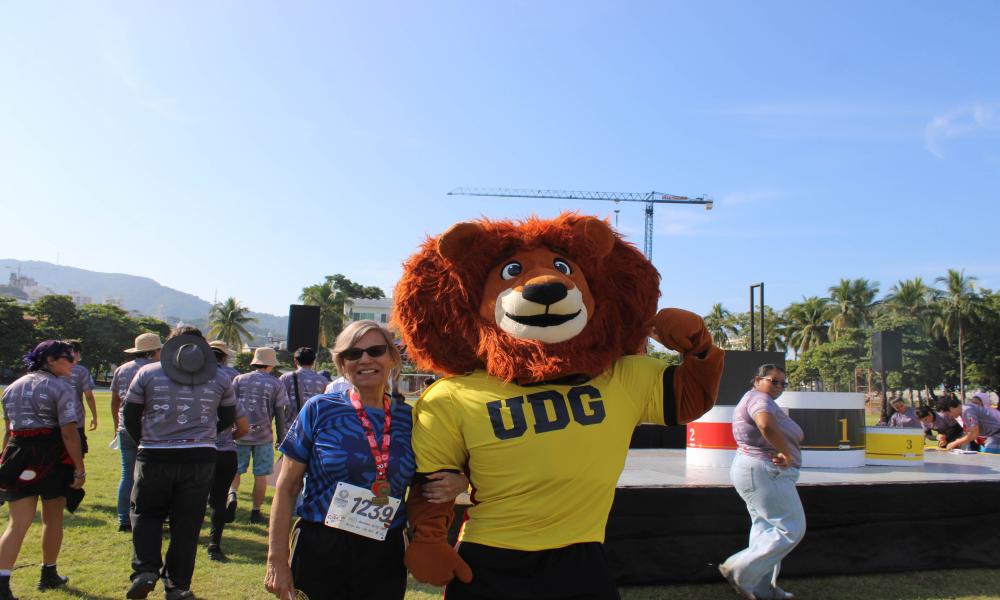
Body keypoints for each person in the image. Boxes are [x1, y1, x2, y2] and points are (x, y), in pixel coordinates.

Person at [263, 320, 468, 600]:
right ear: (341, 363)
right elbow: (286, 489)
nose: (365, 359)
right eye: (353, 353)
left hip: (385, 549)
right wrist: (277, 559)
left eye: (375, 351)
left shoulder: (411, 419)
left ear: (392, 358)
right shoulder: (320, 410)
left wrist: (460, 481)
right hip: (321, 546)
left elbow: (435, 477)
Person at [123, 326, 236, 600]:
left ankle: (146, 570)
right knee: (187, 523)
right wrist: (203, 433)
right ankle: (178, 586)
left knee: (146, 514)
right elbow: (227, 417)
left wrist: (147, 440)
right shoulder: (220, 379)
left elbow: (130, 415)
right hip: (200, 457)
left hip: (155, 454)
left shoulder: (147, 373)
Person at [0, 340, 85, 599]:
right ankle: (48, 573)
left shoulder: (12, 387)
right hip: (51, 455)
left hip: (17, 454)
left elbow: (9, 430)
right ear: (49, 360)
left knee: (17, 523)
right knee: (53, 518)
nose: (72, 361)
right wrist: (79, 469)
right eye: (67, 357)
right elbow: (69, 433)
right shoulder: (60, 387)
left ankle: (2, 583)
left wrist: (4, 459)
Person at [720, 364, 804, 600]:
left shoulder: (758, 398)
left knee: (765, 529)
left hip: (757, 469)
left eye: (782, 384)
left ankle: (761, 589)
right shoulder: (760, 399)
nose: (778, 387)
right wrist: (786, 452)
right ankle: (741, 569)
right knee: (791, 528)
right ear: (757, 380)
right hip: (766, 470)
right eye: (773, 381)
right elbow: (765, 424)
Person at [109, 333, 163, 532]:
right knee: (154, 475)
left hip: (125, 427)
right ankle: (150, 515)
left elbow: (115, 401)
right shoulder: (158, 370)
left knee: (127, 474)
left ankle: (124, 518)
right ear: (154, 351)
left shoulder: (122, 369)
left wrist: (117, 425)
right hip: (151, 429)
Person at [230, 347, 288, 525]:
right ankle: (256, 511)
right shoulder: (276, 384)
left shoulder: (239, 379)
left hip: (239, 433)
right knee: (260, 474)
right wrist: (281, 437)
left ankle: (231, 496)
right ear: (271, 364)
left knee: (236, 470)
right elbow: (279, 413)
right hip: (263, 435)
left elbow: (230, 406)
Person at [206, 340, 249, 561]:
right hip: (225, 450)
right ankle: (214, 544)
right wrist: (229, 437)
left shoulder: (194, 384)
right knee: (219, 499)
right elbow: (243, 426)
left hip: (198, 450)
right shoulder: (229, 381)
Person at [278, 347, 329, 436]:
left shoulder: (286, 378)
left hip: (290, 429)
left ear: (295, 361)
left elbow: (279, 405)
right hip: (313, 429)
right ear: (313, 361)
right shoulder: (323, 380)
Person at [62, 340, 97, 455]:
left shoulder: (54, 369)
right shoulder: (81, 370)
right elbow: (89, 396)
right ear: (76, 353)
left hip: (55, 418)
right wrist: (94, 416)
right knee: (77, 451)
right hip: (75, 417)